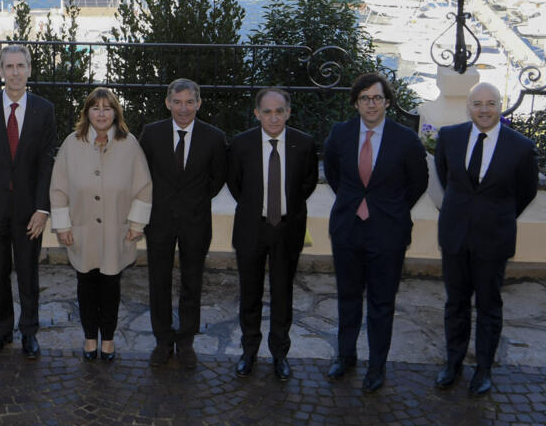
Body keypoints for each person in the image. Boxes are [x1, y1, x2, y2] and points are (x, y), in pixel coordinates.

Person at [323, 72, 428, 393]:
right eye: (365, 98)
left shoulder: (406, 139)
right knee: (348, 297)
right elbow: (334, 175)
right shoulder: (340, 135)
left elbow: (418, 183)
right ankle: (346, 356)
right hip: (347, 230)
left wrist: (389, 209)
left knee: (382, 303)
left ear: (387, 102)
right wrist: (357, 202)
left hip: (388, 233)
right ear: (356, 102)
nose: (372, 104)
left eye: (378, 98)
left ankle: (377, 366)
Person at [433, 82, 539, 396]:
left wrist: (496, 215)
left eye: (490, 103)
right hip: (455, 235)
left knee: (489, 306)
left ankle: (483, 369)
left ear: (500, 106)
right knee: (456, 304)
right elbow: (445, 176)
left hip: (494, 239)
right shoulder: (449, 137)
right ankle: (452, 363)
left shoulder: (520, 147)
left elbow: (526, 191)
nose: (483, 109)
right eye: (477, 103)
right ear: (469, 106)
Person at [49, 88, 151, 362]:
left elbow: (143, 188)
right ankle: (89, 337)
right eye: (96, 108)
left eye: (108, 108)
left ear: (116, 112)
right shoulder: (72, 143)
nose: (102, 113)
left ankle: (107, 339)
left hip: (116, 232)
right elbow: (58, 189)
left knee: (110, 287)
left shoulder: (129, 144)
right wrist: (63, 226)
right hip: (81, 230)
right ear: (87, 113)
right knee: (86, 285)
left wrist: (137, 224)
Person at [0, 44, 56, 359]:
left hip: (30, 210)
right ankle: (2, 331)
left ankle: (29, 333)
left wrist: (43, 209)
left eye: (21, 66)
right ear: (1, 70)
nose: (15, 72)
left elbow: (47, 162)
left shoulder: (44, 109)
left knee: (29, 273)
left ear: (30, 70)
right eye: (9, 66)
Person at [226, 88, 319, 381]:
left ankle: (280, 354)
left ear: (288, 112)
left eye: (279, 111)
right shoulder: (241, 145)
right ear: (257, 114)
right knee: (249, 293)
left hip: (287, 230)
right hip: (251, 228)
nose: (274, 117)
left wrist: (282, 212)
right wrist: (260, 210)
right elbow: (236, 185)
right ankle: (249, 351)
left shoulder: (304, 145)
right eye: (267, 111)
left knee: (283, 293)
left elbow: (307, 185)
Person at [137, 78, 227, 370]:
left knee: (193, 282)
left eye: (190, 102)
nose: (183, 108)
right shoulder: (151, 134)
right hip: (159, 221)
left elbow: (216, 180)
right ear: (167, 103)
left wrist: (192, 202)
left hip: (196, 220)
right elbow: (142, 174)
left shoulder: (214, 138)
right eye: (177, 102)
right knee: (158, 282)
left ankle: (186, 341)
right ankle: (163, 340)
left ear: (199, 103)